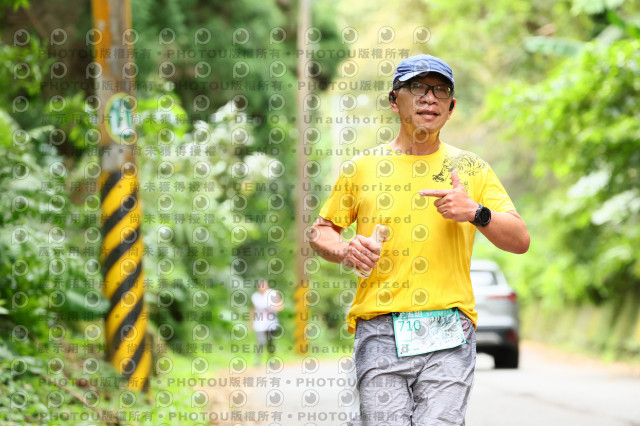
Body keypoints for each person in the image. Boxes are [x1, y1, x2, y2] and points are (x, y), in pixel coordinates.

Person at [310, 54, 530, 425]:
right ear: (394, 101)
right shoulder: (361, 168)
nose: (429, 98)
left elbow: (520, 239)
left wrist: (476, 211)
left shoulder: (471, 168)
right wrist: (346, 250)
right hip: (380, 327)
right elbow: (321, 231)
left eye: (440, 90)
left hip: (449, 328)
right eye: (417, 87)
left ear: (451, 107)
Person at [249, 279, 284, 365]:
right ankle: (257, 361)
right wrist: (250, 322)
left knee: (270, 342)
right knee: (260, 341)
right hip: (259, 322)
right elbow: (253, 309)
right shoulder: (255, 296)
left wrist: (273, 307)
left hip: (271, 323)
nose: (262, 287)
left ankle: (271, 360)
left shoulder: (273, 294)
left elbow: (281, 306)